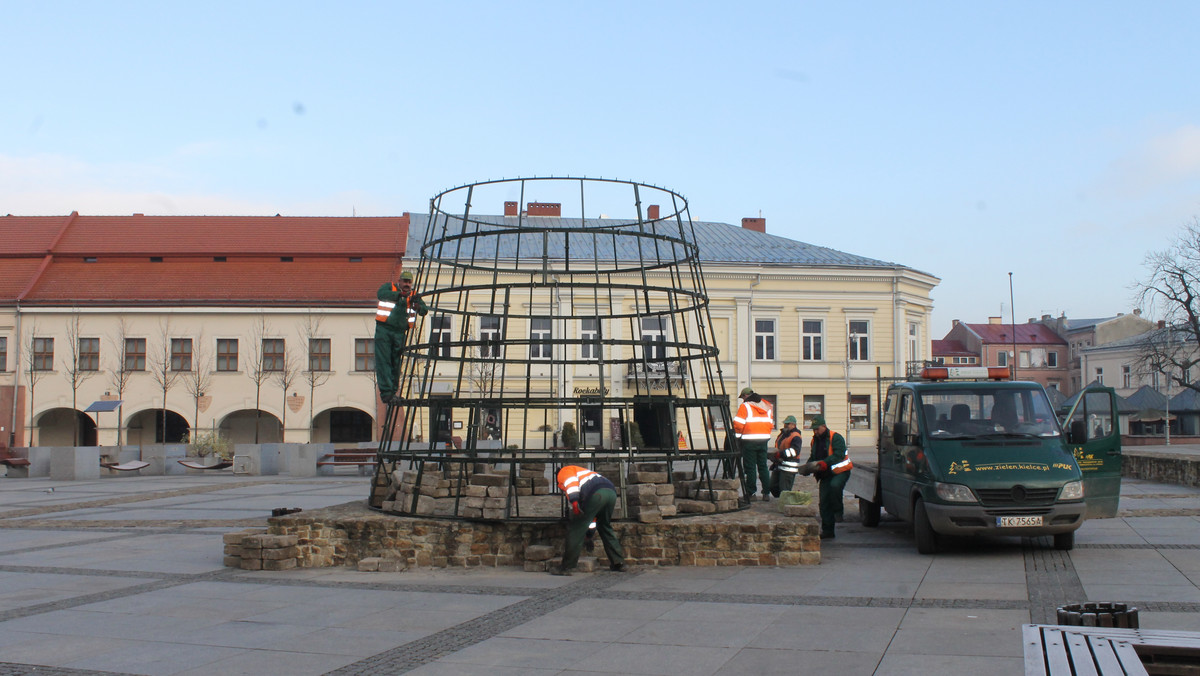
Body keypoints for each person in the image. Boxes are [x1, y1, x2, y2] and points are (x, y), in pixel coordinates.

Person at [552, 465, 625, 575]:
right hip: (610, 493)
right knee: (604, 526)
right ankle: (618, 562)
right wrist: (589, 534)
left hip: (596, 494)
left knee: (576, 529)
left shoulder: (564, 471)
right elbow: (592, 518)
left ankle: (566, 567)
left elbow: (571, 483)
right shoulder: (584, 473)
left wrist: (575, 501)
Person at [374, 270, 428, 403]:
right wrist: (399, 295)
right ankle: (387, 392)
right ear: (399, 281)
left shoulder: (414, 296)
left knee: (396, 363)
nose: (407, 284)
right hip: (384, 330)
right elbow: (381, 294)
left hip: (399, 333)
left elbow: (424, 310)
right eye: (405, 281)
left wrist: (418, 307)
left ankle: (393, 392)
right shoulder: (389, 288)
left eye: (409, 282)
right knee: (384, 361)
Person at [798, 414, 853, 539]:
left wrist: (825, 463)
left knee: (835, 487)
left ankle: (838, 512)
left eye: (817, 429)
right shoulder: (815, 440)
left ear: (824, 426)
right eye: (814, 429)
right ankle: (828, 530)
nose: (815, 432)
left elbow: (838, 455)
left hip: (840, 471)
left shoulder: (836, 437)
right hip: (825, 474)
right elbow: (813, 457)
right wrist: (808, 467)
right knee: (824, 502)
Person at [732, 386, 774, 501]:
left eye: (742, 397)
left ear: (746, 396)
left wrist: (737, 438)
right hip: (764, 440)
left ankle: (751, 493)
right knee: (763, 467)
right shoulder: (767, 405)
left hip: (749, 441)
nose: (742, 400)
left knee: (750, 468)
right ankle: (766, 493)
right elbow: (770, 424)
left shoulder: (745, 406)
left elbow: (738, 424)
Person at [769, 415, 805, 497]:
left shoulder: (796, 436)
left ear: (793, 425)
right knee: (772, 486)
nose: (785, 425)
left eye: (788, 424)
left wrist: (780, 454)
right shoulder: (784, 434)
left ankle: (785, 503)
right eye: (785, 424)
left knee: (785, 490)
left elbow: (794, 451)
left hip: (789, 467)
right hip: (779, 465)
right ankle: (781, 500)